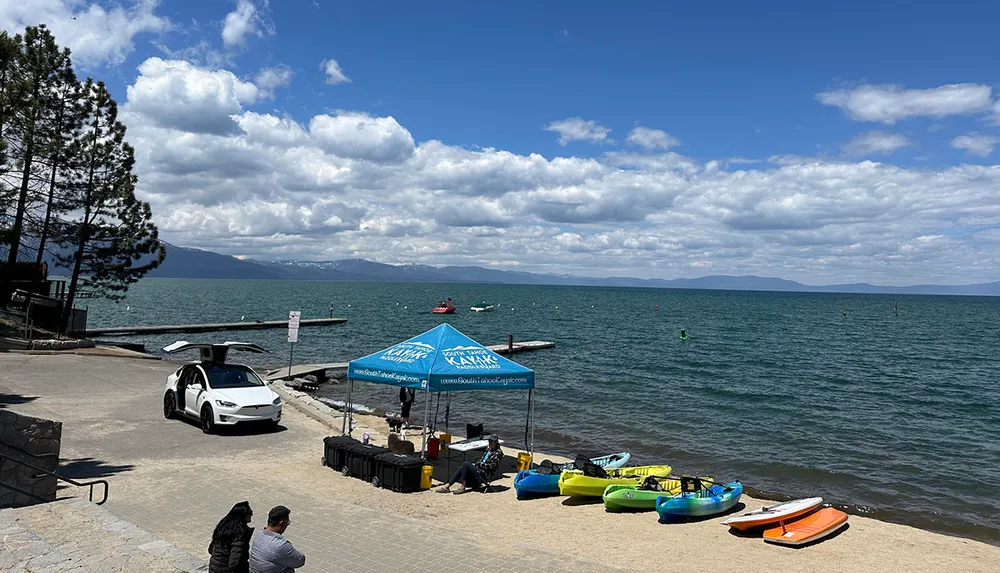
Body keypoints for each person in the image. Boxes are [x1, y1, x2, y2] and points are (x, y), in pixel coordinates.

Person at [436, 434, 504, 494]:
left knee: (465, 464)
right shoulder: (488, 449)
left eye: (491, 443)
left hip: (485, 473)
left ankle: (462, 486)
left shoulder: (498, 453)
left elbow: (491, 466)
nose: (490, 445)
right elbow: (482, 459)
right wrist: (477, 464)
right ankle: (447, 486)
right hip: (479, 469)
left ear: (496, 443)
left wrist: (478, 464)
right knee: (462, 467)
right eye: (489, 442)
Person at [249, 506, 305, 573]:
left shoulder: (259, 536)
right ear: (281, 523)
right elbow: (300, 561)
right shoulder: (280, 545)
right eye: (287, 523)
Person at [208, 501, 254, 573]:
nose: (252, 515)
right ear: (243, 516)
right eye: (250, 513)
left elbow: (210, 549)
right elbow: (234, 562)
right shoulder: (240, 534)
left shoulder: (223, 527)